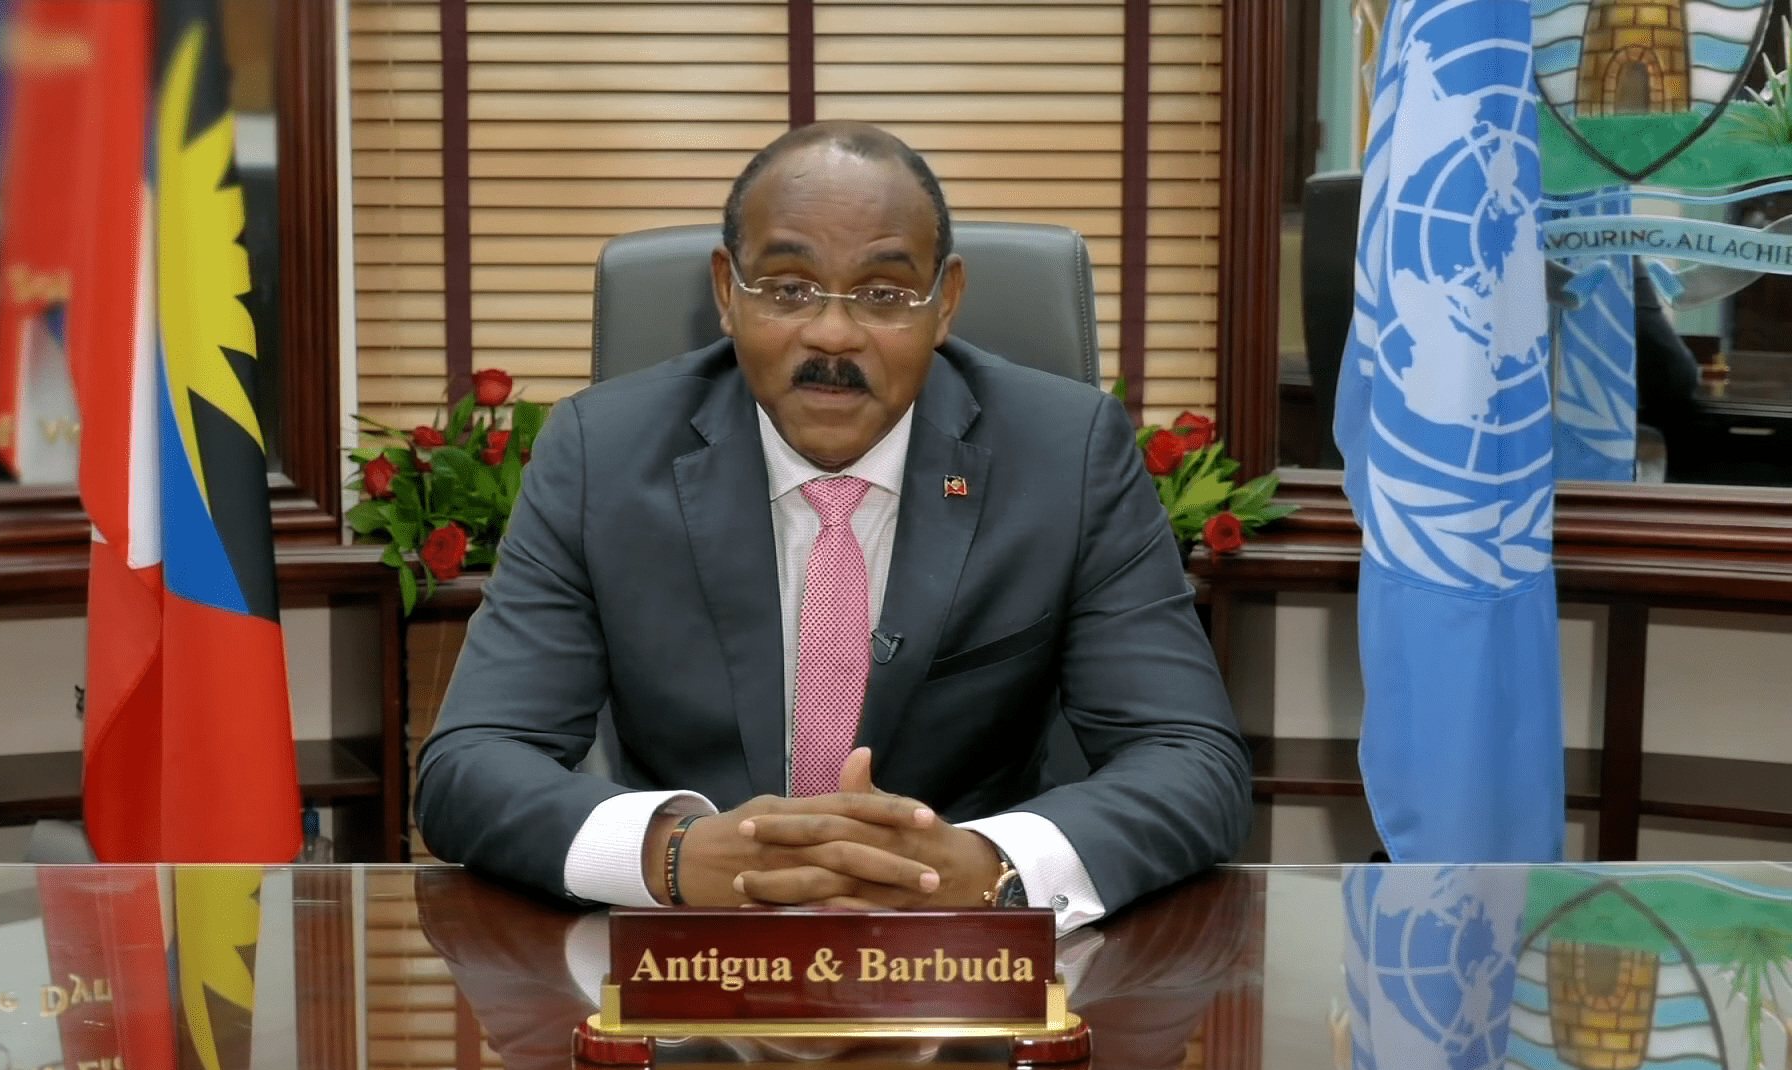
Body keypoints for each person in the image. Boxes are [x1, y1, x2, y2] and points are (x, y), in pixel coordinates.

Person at [416, 121, 1251, 933]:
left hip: (965, 975)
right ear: (724, 292)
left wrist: (990, 867)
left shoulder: (1064, 454)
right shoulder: (602, 452)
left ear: (945, 301)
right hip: (688, 970)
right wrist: (671, 857)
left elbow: (1191, 760)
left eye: (885, 295)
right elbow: (471, 764)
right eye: (787, 288)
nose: (832, 334)